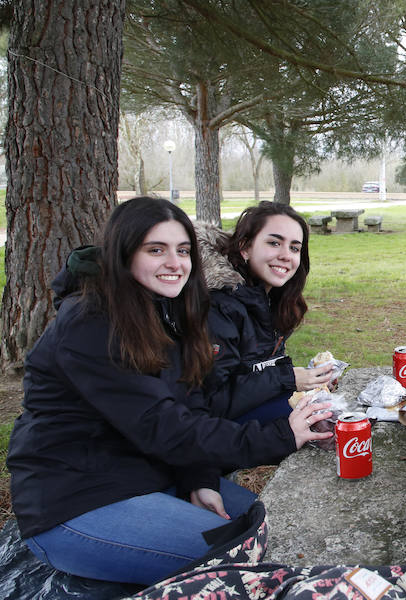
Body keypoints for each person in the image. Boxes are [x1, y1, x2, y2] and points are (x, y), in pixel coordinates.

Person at [6, 197, 333, 585]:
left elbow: (191, 401)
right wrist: (283, 434)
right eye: (155, 250)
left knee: (263, 522)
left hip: (148, 476)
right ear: (122, 253)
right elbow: (165, 426)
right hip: (78, 500)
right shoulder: (90, 321)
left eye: (182, 251)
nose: (174, 263)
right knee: (243, 559)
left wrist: (200, 477)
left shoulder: (169, 309)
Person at [199, 202, 334, 424]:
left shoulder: (272, 299)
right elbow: (212, 401)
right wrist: (287, 378)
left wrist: (307, 379)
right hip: (221, 432)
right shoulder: (219, 306)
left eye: (294, 248)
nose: (285, 255)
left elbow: (257, 368)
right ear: (245, 247)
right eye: (274, 243)